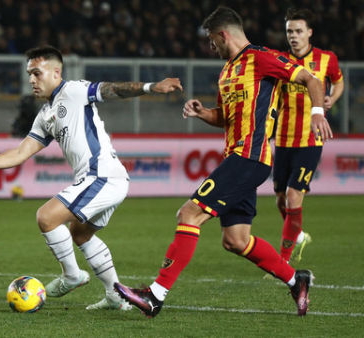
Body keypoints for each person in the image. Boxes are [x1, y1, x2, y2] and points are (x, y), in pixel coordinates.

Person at [114, 6, 332, 318]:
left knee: (189, 213)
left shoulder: (262, 57)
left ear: (222, 34)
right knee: (236, 239)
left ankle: (155, 295)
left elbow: (311, 80)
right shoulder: (227, 71)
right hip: (237, 157)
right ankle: (296, 279)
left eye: (210, 40)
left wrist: (317, 113)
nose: (210, 47)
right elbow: (226, 118)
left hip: (250, 157)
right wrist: (204, 113)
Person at [0, 46, 182, 310]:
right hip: (101, 179)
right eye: (29, 74)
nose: (31, 80)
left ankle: (72, 275)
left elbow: (113, 89)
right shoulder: (45, 115)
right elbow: (22, 152)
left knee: (46, 217)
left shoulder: (74, 91)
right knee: (80, 233)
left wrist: (150, 87)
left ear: (56, 72)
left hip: (103, 175)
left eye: (36, 73)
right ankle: (115, 296)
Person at [272, 8, 344, 265]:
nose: (293, 36)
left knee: (293, 195)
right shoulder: (279, 60)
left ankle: (284, 259)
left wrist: (331, 99)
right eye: (290, 31)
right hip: (282, 139)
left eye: (298, 31)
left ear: (309, 33)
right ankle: (298, 234)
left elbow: (339, 81)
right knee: (280, 198)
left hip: (310, 139)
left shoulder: (326, 59)